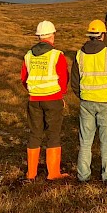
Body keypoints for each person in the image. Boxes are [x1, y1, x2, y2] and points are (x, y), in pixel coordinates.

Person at [70, 19, 107, 183]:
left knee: (85, 142)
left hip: (86, 102)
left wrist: (83, 95)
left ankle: (83, 176)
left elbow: (74, 81)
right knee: (106, 143)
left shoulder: (79, 54)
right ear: (103, 35)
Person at [21, 20, 70, 180]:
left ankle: (31, 173)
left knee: (35, 134)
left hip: (34, 100)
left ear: (39, 37)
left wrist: (34, 91)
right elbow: (63, 78)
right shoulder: (57, 55)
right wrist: (61, 95)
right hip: (53, 99)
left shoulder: (28, 56)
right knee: (53, 134)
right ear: (52, 36)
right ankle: (53, 173)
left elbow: (24, 78)